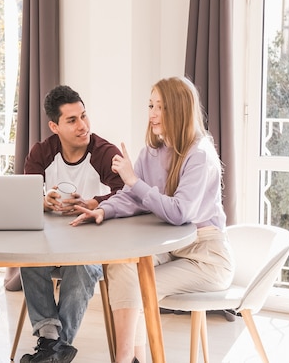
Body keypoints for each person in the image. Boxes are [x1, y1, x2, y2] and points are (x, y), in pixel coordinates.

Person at [71, 76, 235, 363]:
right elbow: (133, 196)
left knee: (139, 286)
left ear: (180, 110)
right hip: (171, 248)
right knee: (122, 267)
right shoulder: (152, 151)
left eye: (161, 107)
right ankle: (131, 358)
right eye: (151, 105)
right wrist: (103, 210)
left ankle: (124, 361)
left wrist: (133, 180)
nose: (153, 114)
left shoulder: (200, 155)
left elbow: (179, 212)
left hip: (206, 257)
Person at [19, 85, 125, 363]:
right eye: (72, 120)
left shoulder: (104, 153)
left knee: (82, 267)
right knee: (27, 259)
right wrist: (42, 201)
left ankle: (52, 346)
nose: (83, 125)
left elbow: (127, 194)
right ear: (54, 126)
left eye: (84, 116)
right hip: (49, 245)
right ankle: (54, 343)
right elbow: (24, 194)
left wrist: (95, 203)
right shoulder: (42, 152)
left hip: (92, 247)